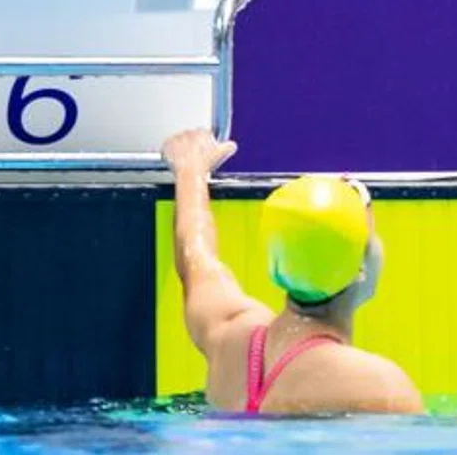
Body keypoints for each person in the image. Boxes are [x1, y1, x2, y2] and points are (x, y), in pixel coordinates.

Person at [161, 129, 422, 415]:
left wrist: (191, 171)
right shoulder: (380, 388)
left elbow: (195, 255)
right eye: (372, 238)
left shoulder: (228, 333)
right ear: (358, 269)